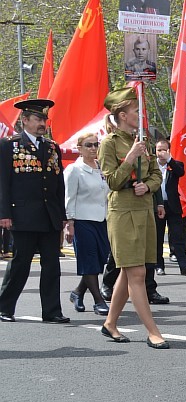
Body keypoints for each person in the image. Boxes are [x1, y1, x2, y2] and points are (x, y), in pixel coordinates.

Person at [96, 87, 169, 347]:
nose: (139, 115)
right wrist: (129, 158)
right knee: (136, 273)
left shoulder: (143, 141)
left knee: (128, 274)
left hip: (143, 209)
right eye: (136, 111)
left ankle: (110, 324)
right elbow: (113, 180)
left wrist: (147, 186)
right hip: (123, 211)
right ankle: (153, 331)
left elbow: (157, 175)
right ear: (123, 115)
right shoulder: (109, 143)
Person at [0, 98, 71, 323]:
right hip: (22, 215)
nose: (43, 123)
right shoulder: (9, 145)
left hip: (49, 215)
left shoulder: (51, 147)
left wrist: (62, 215)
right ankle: (4, 307)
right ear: (25, 120)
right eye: (38, 118)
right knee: (21, 263)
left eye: (44, 119)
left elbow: (59, 184)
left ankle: (51, 311)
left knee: (52, 264)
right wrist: (4, 214)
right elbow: (3, 182)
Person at [64, 133, 112, 316]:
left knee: (100, 260)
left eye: (95, 144)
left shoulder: (101, 167)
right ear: (79, 148)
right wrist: (70, 223)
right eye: (88, 145)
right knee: (89, 260)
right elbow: (70, 198)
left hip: (102, 219)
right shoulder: (74, 170)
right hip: (82, 220)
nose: (93, 148)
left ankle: (78, 292)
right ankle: (98, 300)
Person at [153, 139, 186, 276]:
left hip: (172, 205)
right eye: (159, 150)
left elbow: (181, 172)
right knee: (158, 237)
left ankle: (184, 265)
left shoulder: (174, 164)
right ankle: (159, 265)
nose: (161, 153)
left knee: (178, 237)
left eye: (164, 150)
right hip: (156, 206)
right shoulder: (151, 166)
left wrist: (169, 159)